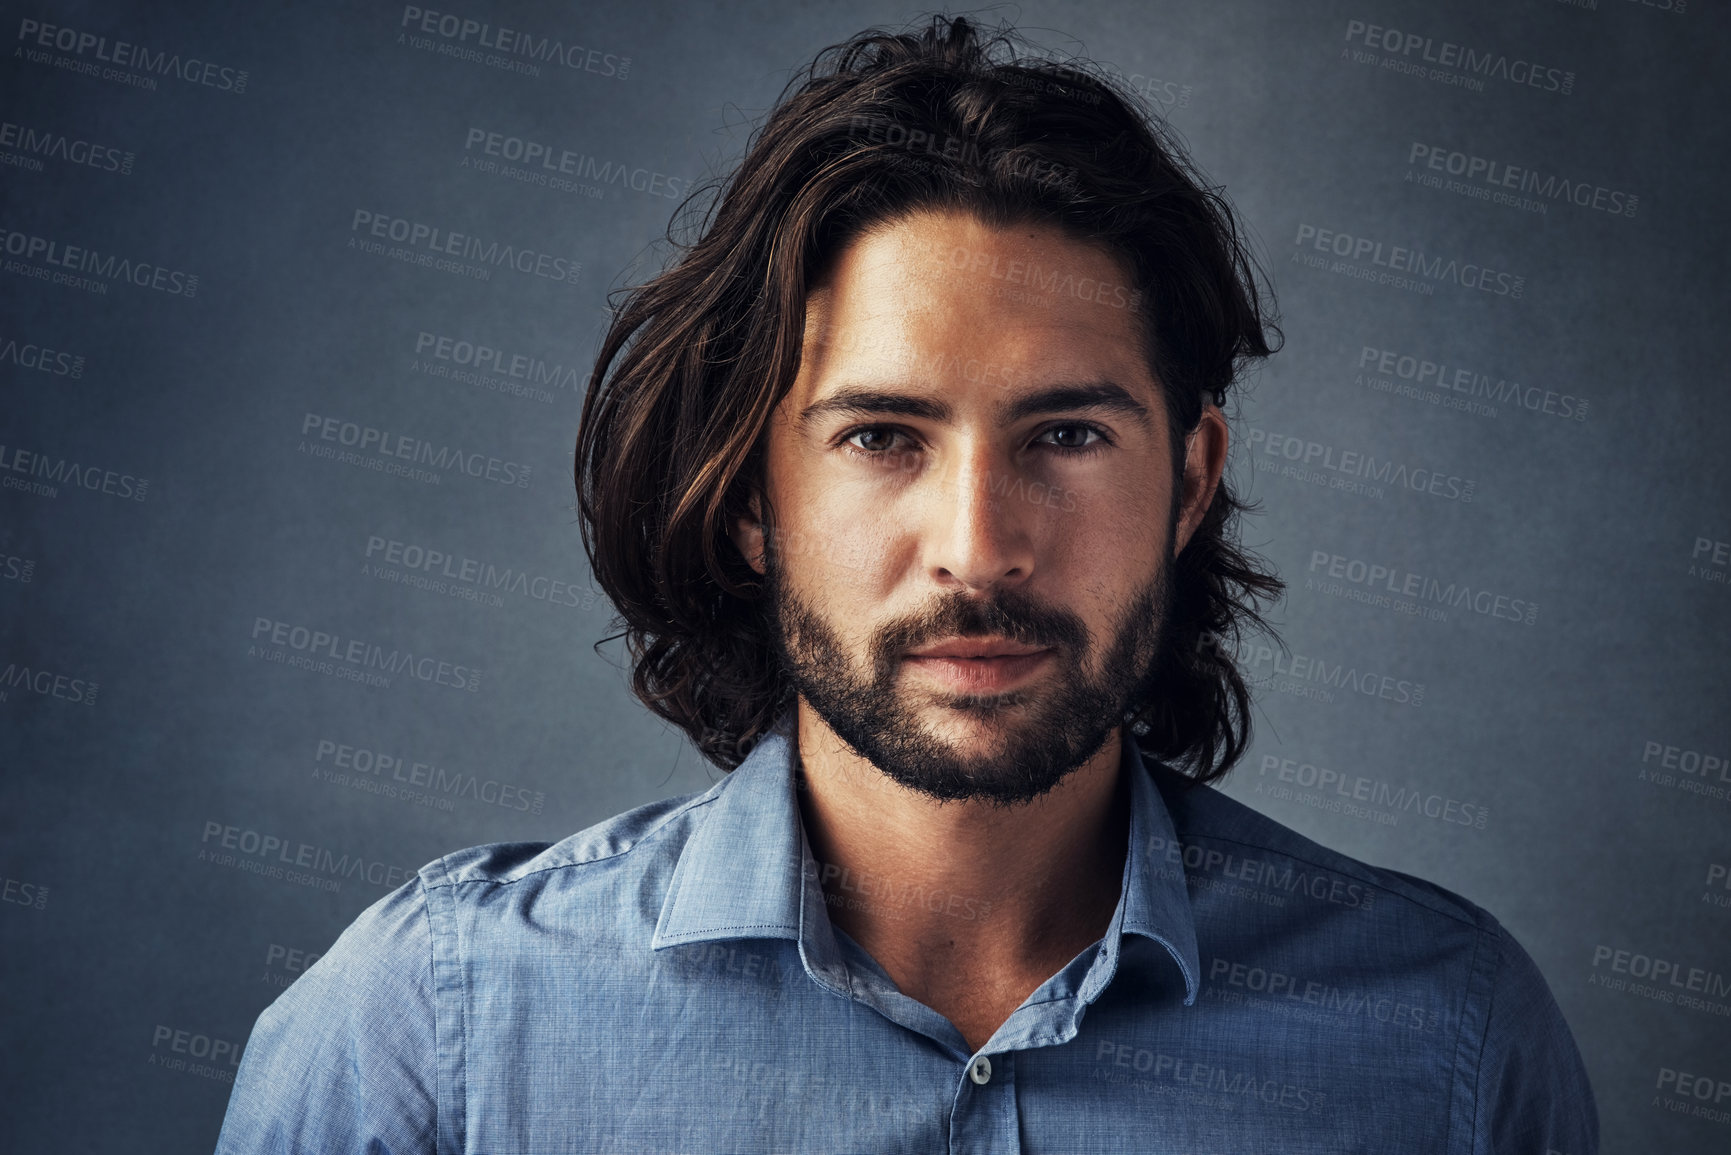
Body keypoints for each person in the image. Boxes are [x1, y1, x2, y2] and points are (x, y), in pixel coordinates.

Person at [215, 15, 1597, 1152]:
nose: (979, 545)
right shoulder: (435, 1038)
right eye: (883, 438)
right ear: (754, 493)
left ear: (1189, 481)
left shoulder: (1448, 1047)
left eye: (1065, 436)